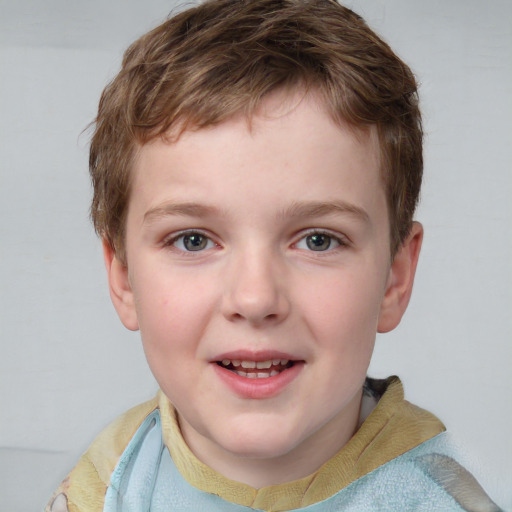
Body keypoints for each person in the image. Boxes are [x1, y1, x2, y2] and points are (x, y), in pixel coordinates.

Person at [45, 0, 503, 510]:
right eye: (194, 240)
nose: (256, 297)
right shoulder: (110, 481)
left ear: (394, 279)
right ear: (124, 278)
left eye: (318, 240)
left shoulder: (435, 500)